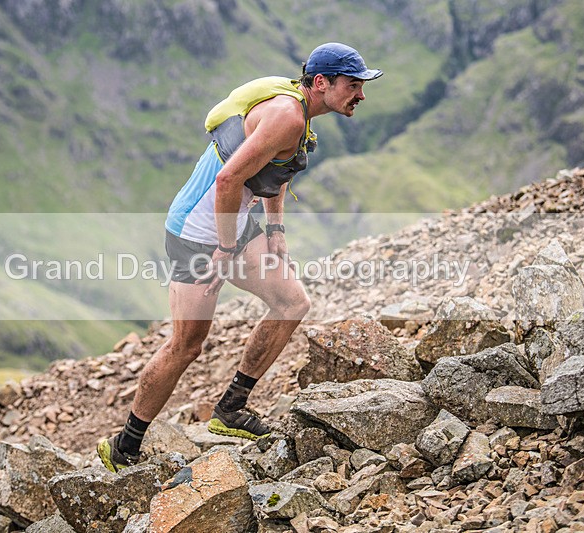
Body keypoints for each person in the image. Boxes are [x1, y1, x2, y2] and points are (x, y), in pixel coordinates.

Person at [98, 42, 382, 472]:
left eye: (361, 85)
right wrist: (226, 250)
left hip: (233, 223)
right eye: (353, 85)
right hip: (196, 233)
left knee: (292, 303)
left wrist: (276, 228)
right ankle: (124, 446)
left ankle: (231, 409)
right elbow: (230, 179)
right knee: (186, 346)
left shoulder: (298, 115)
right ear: (321, 83)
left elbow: (276, 169)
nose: (360, 94)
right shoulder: (287, 116)